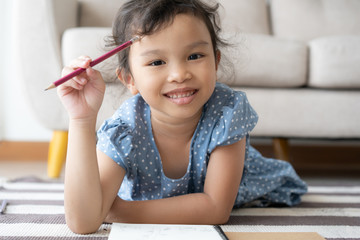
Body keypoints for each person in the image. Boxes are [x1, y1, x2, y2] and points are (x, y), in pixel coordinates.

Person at [57, 0, 307, 234]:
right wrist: (81, 119)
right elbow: (83, 222)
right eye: (157, 62)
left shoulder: (226, 111)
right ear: (129, 79)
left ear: (216, 62)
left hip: (241, 186)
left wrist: (114, 210)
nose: (179, 74)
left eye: (195, 56)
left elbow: (216, 209)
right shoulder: (125, 128)